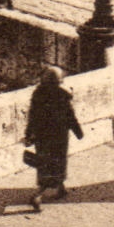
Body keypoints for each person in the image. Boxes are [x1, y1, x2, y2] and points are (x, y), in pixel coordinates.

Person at [23, 66, 83, 208]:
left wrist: (28, 135)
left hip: (42, 137)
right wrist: (78, 132)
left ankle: (60, 189)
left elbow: (32, 117)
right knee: (58, 162)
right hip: (60, 137)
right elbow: (70, 117)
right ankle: (38, 196)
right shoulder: (63, 95)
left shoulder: (38, 95)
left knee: (45, 164)